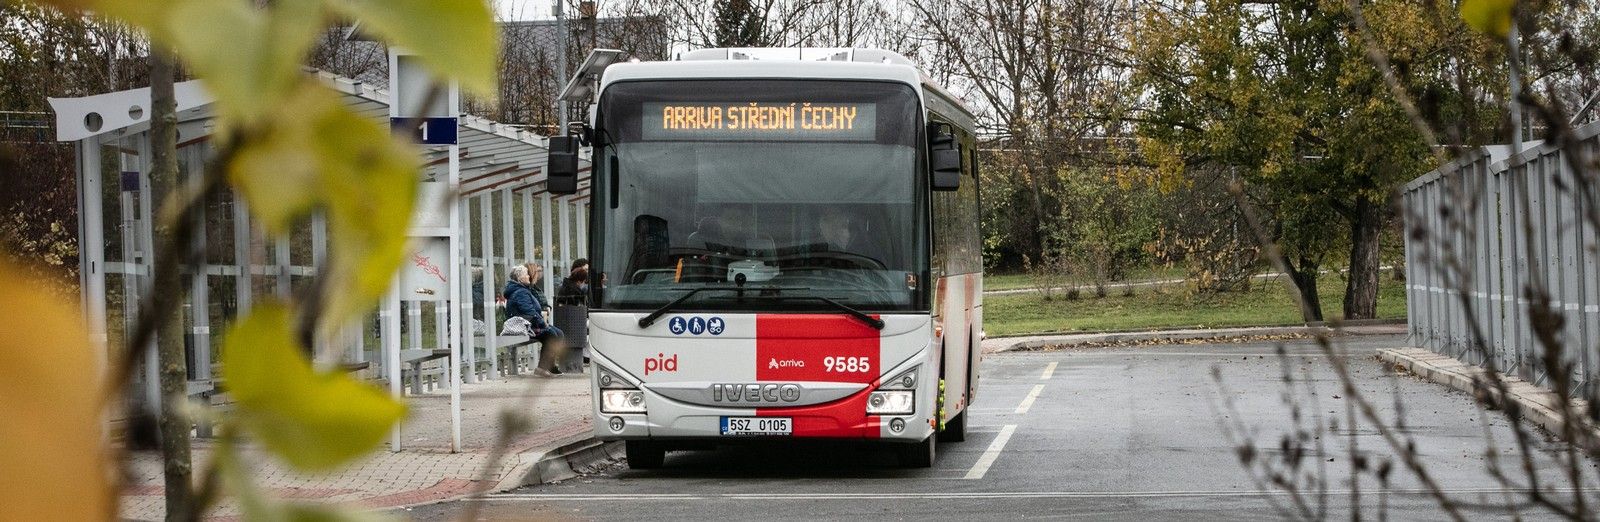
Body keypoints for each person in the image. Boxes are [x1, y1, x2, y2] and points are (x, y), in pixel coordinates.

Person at [504, 263, 566, 376]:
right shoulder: (521, 292)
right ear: (520, 278)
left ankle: (549, 365)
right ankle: (542, 367)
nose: (528, 276)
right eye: (526, 274)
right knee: (551, 334)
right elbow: (530, 312)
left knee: (559, 333)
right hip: (524, 326)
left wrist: (542, 323)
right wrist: (543, 324)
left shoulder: (522, 290)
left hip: (529, 324)